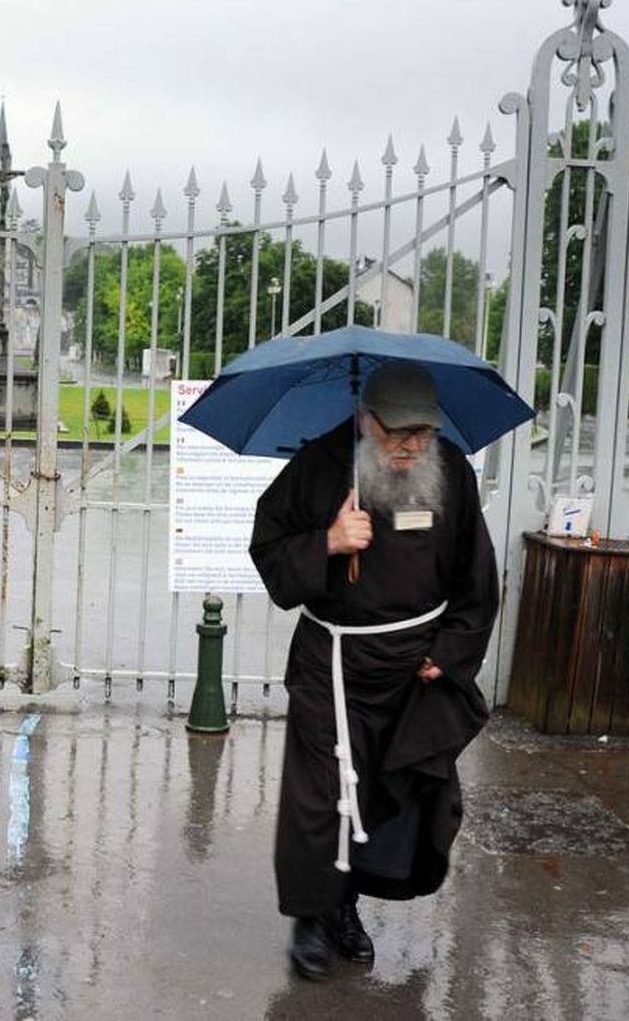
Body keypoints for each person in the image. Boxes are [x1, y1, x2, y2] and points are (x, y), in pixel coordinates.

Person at [249, 358, 499, 980]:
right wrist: (327, 543)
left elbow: (478, 582)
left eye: (424, 435)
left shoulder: (453, 477)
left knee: (395, 789)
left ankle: (345, 907)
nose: (412, 448)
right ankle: (311, 915)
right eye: (397, 435)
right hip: (332, 665)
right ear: (365, 419)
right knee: (321, 798)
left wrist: (450, 653)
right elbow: (268, 548)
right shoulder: (316, 468)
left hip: (416, 668)